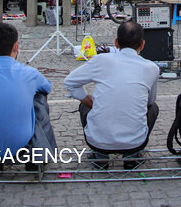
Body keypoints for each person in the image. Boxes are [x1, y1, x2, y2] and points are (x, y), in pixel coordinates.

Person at [64, 21, 159, 169]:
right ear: (142, 44)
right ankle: (131, 157)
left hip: (98, 142)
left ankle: (100, 156)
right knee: (153, 108)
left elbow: (70, 82)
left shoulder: (100, 60)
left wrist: (87, 100)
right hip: (134, 142)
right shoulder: (152, 68)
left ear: (116, 43)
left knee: (84, 106)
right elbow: (149, 102)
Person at [0, 23, 57, 171]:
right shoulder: (29, 73)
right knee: (38, 98)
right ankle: (39, 153)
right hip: (20, 145)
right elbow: (47, 87)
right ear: (16, 46)